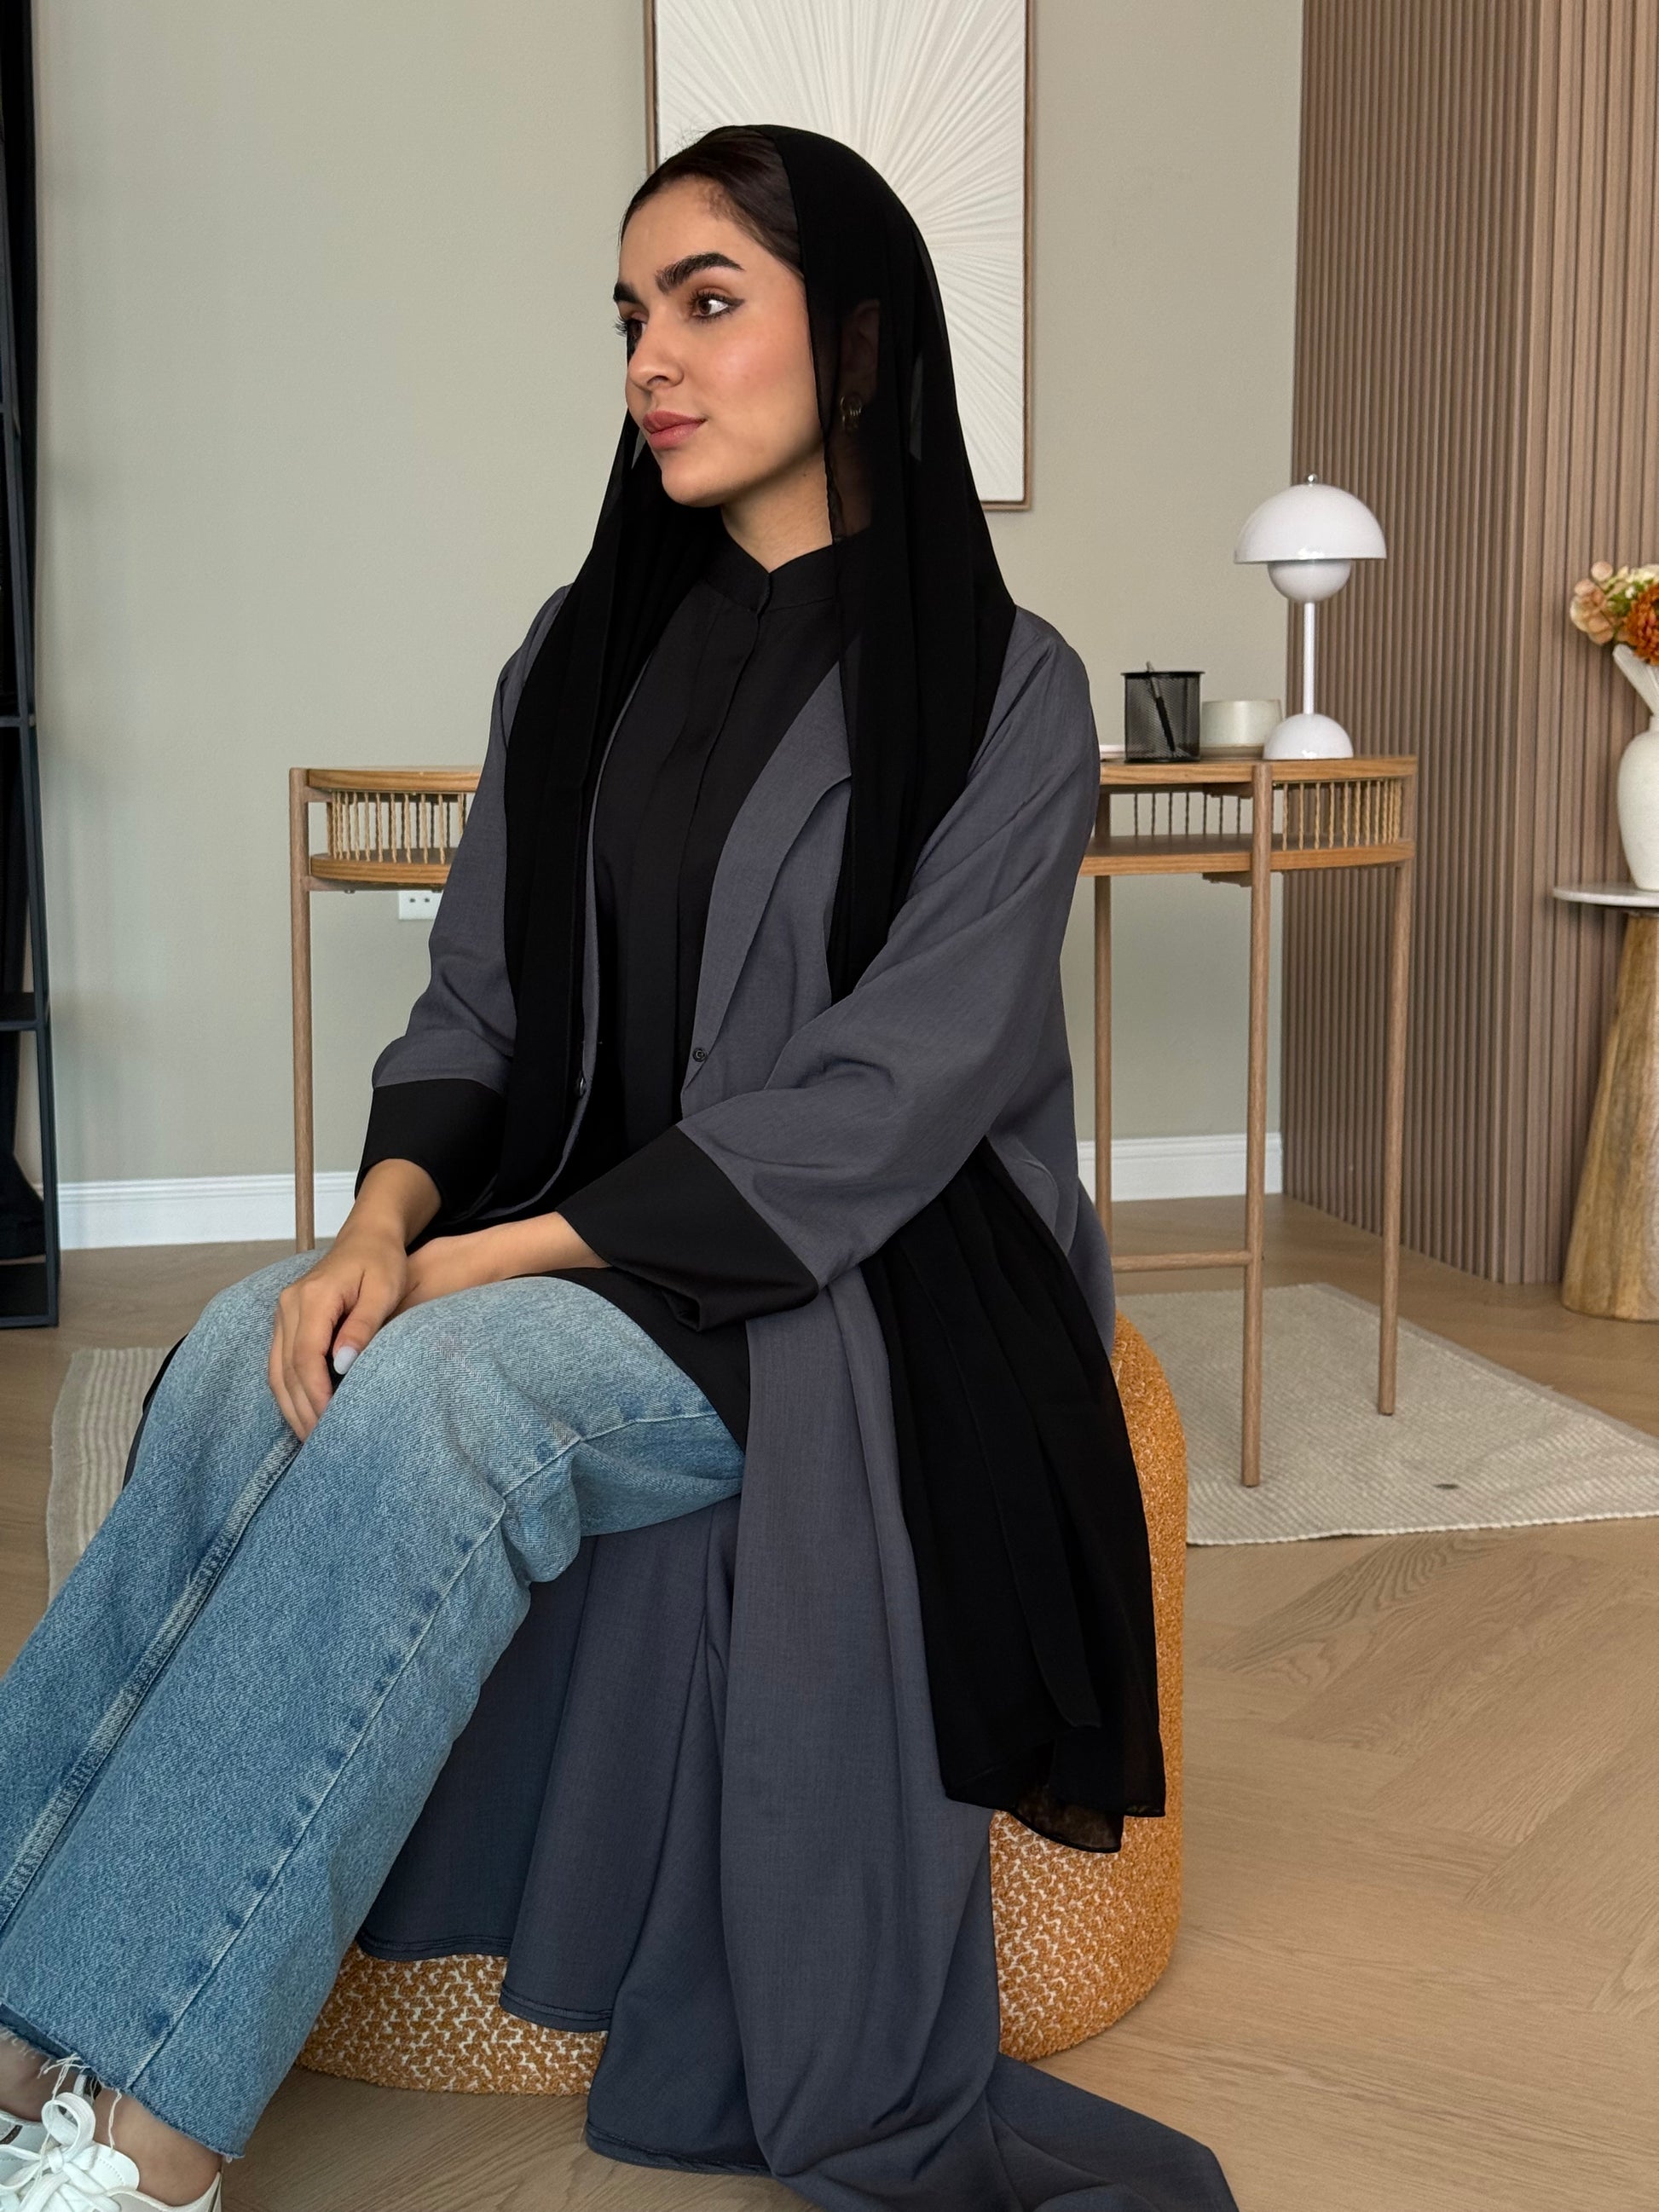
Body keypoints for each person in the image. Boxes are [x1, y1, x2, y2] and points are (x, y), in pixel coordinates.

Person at [0, 124, 1238, 2212]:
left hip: (849, 1281)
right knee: (233, 1354)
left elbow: (892, 1099)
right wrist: (382, 1223)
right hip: (562, 1228)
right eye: (631, 315)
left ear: (851, 347)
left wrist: (483, 1276)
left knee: (443, 1396)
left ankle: (144, 2141)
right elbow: (473, 1004)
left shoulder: (1000, 694)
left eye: (706, 301)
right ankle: (27, 2007)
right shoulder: (577, 654)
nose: (652, 357)